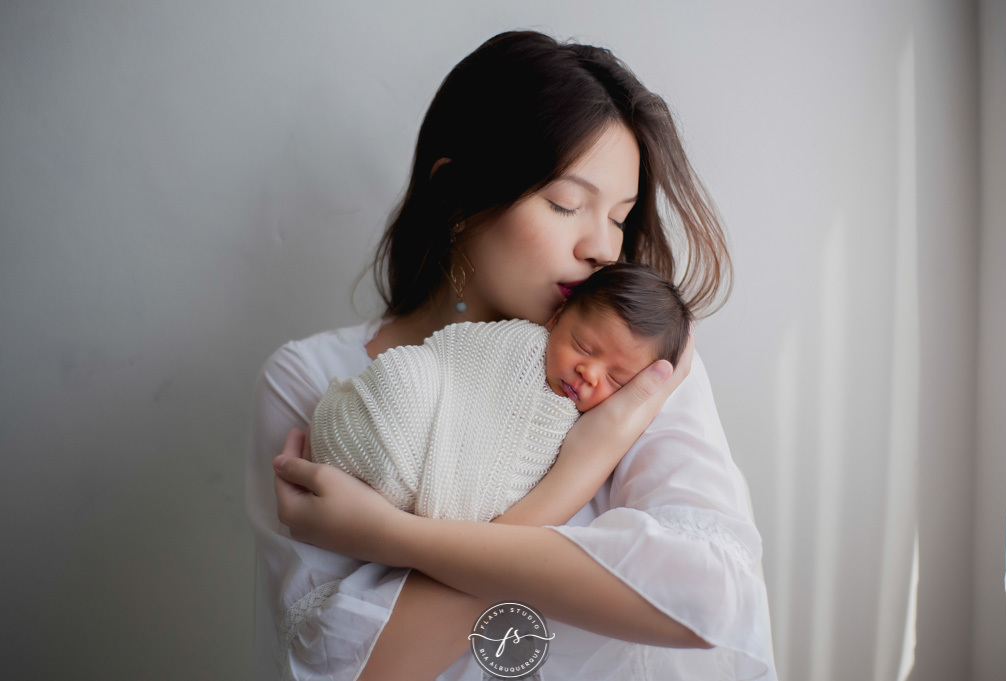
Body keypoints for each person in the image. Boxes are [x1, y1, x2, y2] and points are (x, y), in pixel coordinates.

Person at [247, 30, 777, 681]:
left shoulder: (635, 365)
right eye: (565, 204)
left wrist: (390, 536)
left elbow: (708, 600)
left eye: (619, 217)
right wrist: (568, 483)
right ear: (458, 199)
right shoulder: (316, 379)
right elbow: (354, 670)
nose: (602, 250)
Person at [309, 262, 693, 524]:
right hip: (399, 410)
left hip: (405, 496)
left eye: (617, 380)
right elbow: (448, 367)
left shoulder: (599, 427)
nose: (589, 373)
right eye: (583, 347)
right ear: (556, 319)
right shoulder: (519, 346)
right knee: (403, 380)